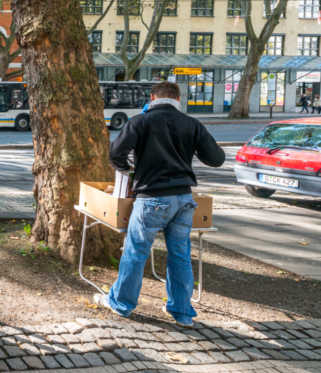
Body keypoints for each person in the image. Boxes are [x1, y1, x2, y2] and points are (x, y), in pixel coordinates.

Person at [94, 81, 224, 328]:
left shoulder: (140, 122)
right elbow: (216, 159)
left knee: (135, 253)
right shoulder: (191, 124)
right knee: (180, 255)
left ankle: (122, 304)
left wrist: (129, 170)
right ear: (179, 99)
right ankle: (182, 312)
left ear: (152, 97)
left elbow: (115, 154)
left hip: (151, 200)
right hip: (184, 200)